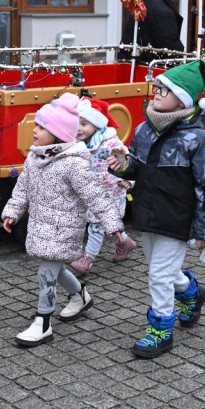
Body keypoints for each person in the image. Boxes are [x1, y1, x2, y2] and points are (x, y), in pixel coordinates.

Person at [108, 61, 205, 358]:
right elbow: (137, 169)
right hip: (147, 213)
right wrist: (123, 167)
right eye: (155, 87)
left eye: (164, 90)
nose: (156, 93)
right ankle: (192, 293)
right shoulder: (145, 129)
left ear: (182, 99)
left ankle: (160, 329)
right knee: (164, 272)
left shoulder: (198, 139)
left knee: (158, 275)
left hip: (177, 218)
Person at [2, 92, 125, 348]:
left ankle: (43, 323)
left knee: (46, 273)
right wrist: (12, 212)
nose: (34, 130)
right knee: (57, 270)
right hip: (41, 225)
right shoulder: (35, 157)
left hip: (64, 229)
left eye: (41, 127)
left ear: (58, 135)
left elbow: (97, 196)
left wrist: (113, 225)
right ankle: (80, 295)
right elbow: (22, 188)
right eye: (36, 125)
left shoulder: (74, 164)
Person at [69, 97, 136, 276]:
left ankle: (87, 260)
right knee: (107, 225)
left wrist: (127, 179)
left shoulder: (110, 144)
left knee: (97, 225)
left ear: (98, 126)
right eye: (77, 123)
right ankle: (125, 243)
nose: (79, 128)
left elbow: (127, 162)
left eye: (84, 123)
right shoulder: (80, 144)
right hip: (93, 191)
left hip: (111, 193)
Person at [121, 0, 191, 64]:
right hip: (145, 66)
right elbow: (173, 48)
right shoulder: (164, 12)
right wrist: (187, 61)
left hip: (131, 60)